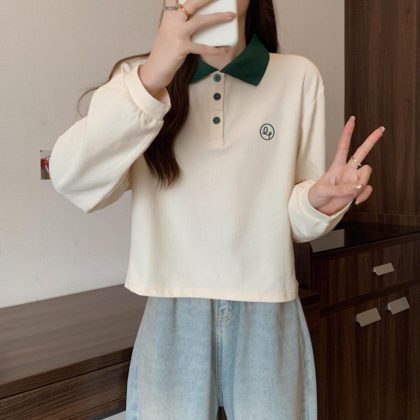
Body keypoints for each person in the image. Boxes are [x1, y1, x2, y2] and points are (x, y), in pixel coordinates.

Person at [48, 0, 385, 419]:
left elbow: (294, 220)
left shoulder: (298, 76)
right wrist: (153, 75)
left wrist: (317, 204)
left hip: (268, 303)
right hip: (172, 305)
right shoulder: (139, 78)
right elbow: (71, 178)